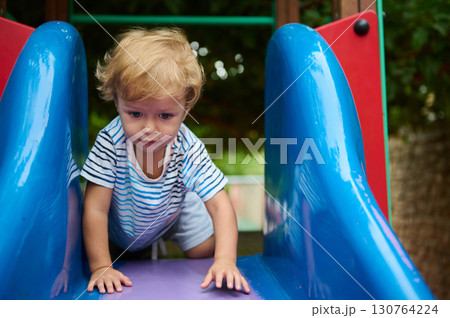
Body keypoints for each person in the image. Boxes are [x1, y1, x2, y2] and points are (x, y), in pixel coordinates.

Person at [80, 27, 250, 295]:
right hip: (122, 218)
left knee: (204, 251)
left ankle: (187, 201)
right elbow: (95, 209)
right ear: (117, 102)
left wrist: (225, 260)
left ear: (185, 109)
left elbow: (220, 205)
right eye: (135, 113)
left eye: (165, 116)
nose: (150, 128)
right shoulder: (111, 143)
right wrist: (101, 266)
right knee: (120, 253)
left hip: (173, 211)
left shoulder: (187, 147)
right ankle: (143, 246)